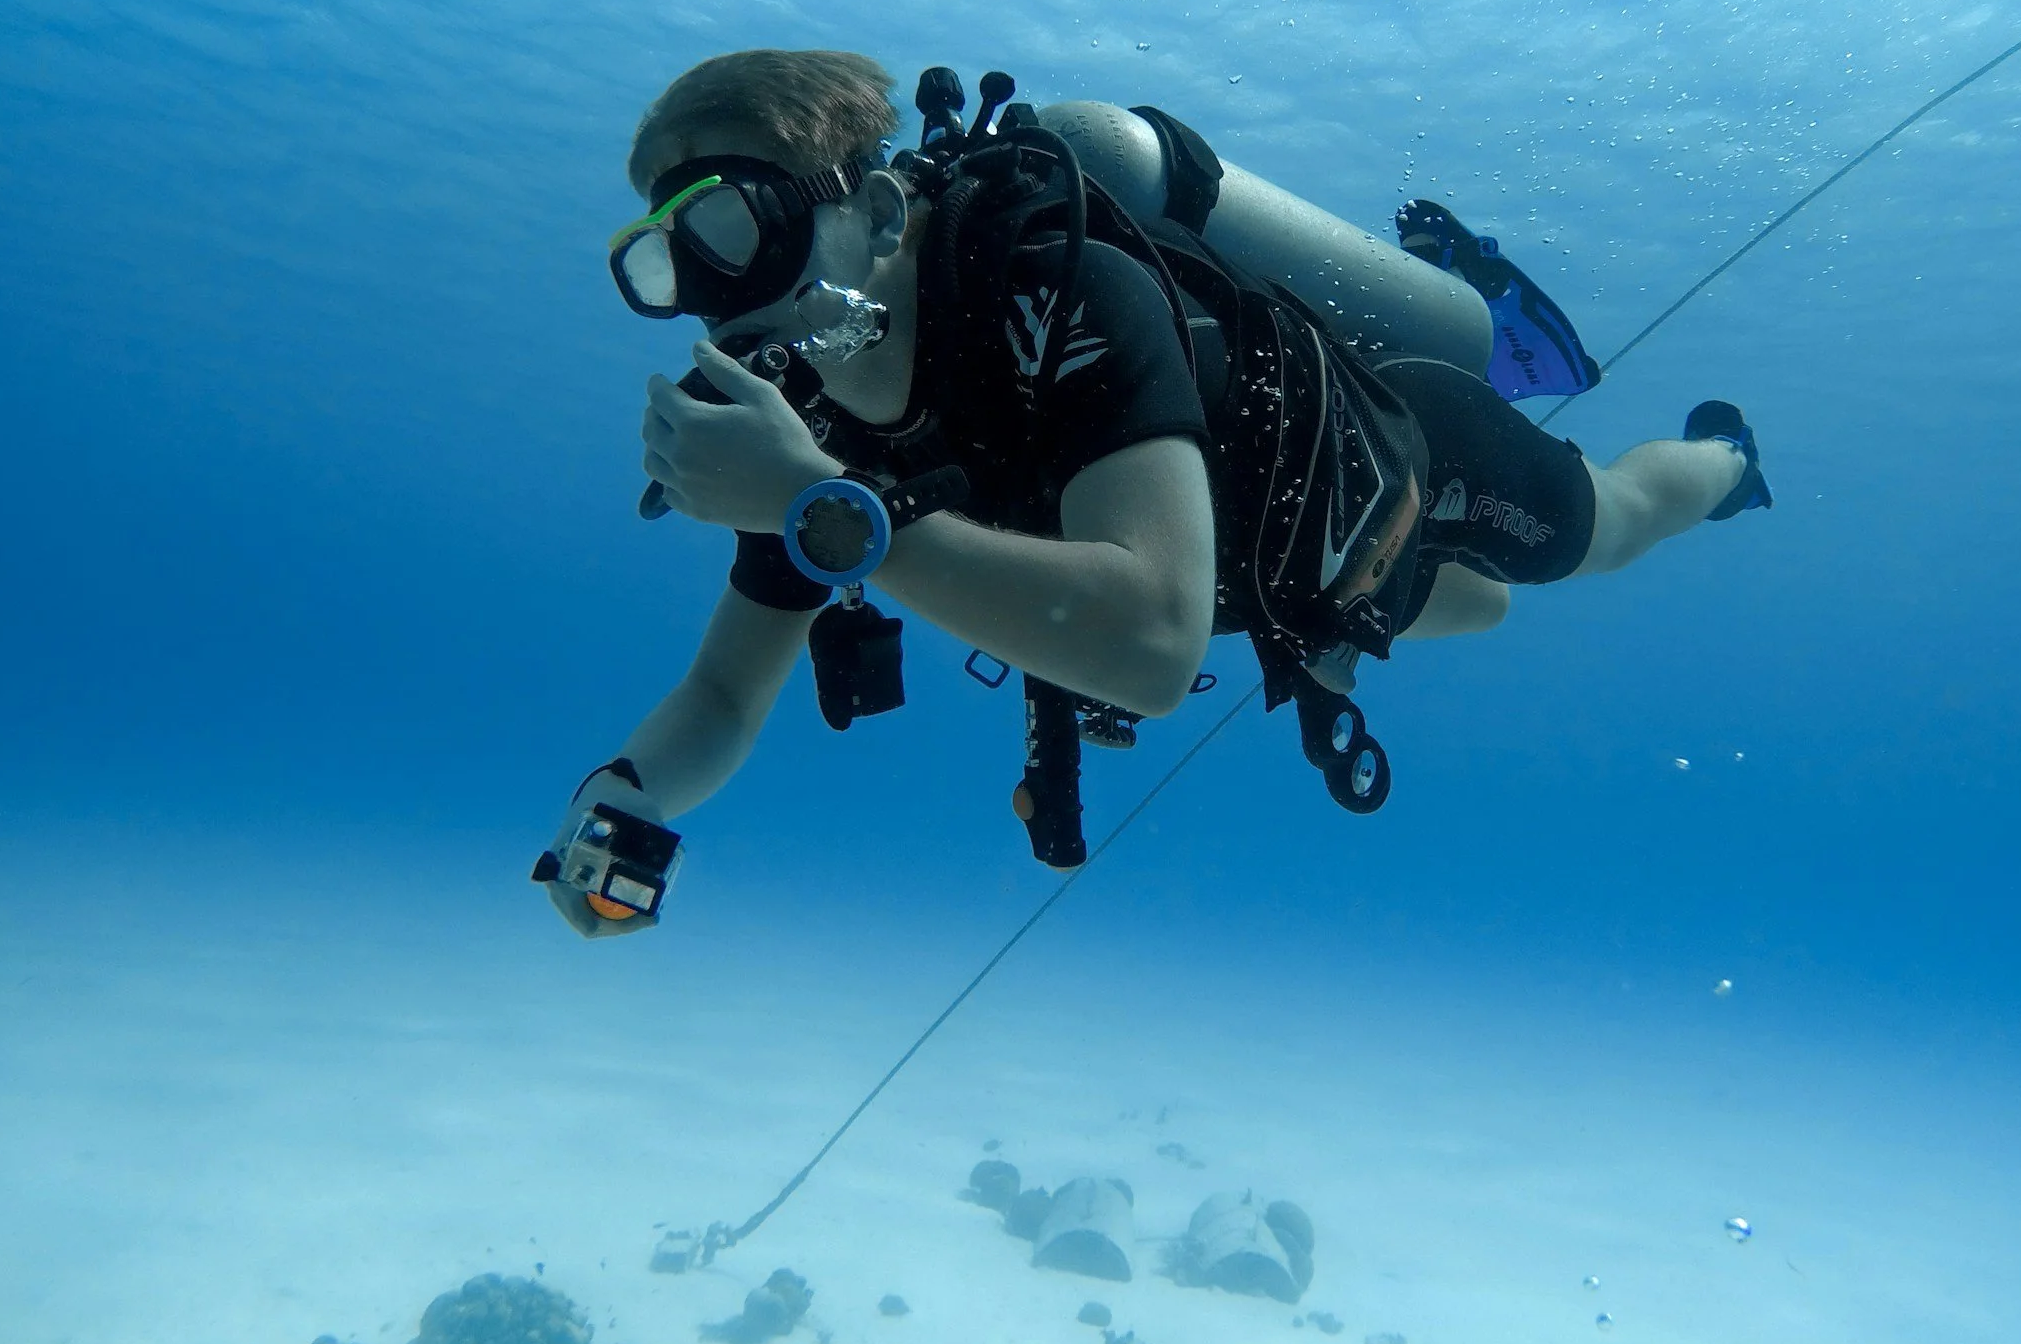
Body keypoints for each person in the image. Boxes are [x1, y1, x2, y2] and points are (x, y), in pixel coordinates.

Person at [542, 49, 1768, 936]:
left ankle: (1722, 462)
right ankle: (1458, 310)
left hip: (1391, 456)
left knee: (1597, 533)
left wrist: (820, 509)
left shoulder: (1058, 284)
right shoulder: (800, 422)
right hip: (1284, 575)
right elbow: (720, 690)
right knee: (1467, 615)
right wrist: (621, 810)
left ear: (866, 208)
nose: (713, 294)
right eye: (662, 264)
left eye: (733, 229)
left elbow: (1145, 649)